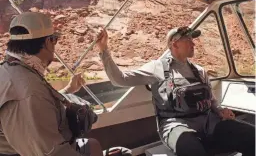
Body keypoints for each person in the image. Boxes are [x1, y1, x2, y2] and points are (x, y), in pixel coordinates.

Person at [97, 27, 255, 156]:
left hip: (208, 122)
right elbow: (120, 79)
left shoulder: (200, 71)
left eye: (193, 40)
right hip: (176, 125)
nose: (193, 44)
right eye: (188, 40)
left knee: (251, 135)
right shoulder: (157, 68)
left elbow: (211, 100)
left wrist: (220, 111)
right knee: (191, 149)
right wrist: (104, 50)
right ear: (174, 44)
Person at [0, 12, 103, 156]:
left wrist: (68, 89)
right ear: (48, 42)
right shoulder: (28, 92)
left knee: (93, 145)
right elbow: (50, 152)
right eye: (54, 40)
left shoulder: (12, 70)